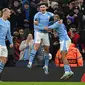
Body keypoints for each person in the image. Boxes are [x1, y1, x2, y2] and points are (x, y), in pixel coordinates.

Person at [44, 11, 74, 79]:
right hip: (64, 40)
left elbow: (48, 28)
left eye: (56, 17)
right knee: (63, 55)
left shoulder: (58, 22)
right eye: (54, 16)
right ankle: (69, 71)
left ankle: (67, 71)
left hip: (64, 40)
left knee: (63, 55)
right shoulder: (59, 23)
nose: (54, 17)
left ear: (59, 18)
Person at [27, 2, 54, 74]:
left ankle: (46, 65)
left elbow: (54, 21)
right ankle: (30, 62)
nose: (42, 8)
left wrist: (50, 27)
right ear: (39, 8)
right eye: (41, 7)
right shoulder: (37, 15)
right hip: (38, 32)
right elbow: (35, 26)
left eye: (43, 7)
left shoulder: (50, 15)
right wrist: (44, 28)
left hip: (46, 33)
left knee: (46, 49)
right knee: (36, 45)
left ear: (46, 8)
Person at [0, 8, 13, 81]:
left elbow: (9, 34)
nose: (10, 13)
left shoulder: (8, 22)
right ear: (4, 12)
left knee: (4, 59)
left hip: (3, 43)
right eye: (9, 12)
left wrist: (11, 42)